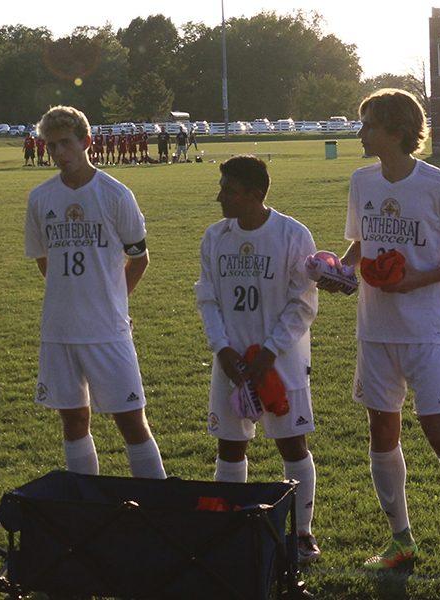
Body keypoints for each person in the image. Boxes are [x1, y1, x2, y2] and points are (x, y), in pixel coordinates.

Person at [330, 88, 440, 571]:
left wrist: (416, 280)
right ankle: (401, 541)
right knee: (381, 431)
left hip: (426, 332)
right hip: (375, 330)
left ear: (397, 130)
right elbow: (360, 244)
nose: (361, 133)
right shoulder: (362, 182)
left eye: (368, 125)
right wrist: (339, 271)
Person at [25, 106, 166, 480]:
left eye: (66, 143)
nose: (58, 153)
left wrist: (115, 299)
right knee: (73, 419)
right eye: (51, 146)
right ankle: (87, 503)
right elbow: (45, 261)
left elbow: (140, 258)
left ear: (86, 142)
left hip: (107, 328)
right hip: (58, 330)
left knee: (131, 420)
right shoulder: (40, 198)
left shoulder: (115, 194)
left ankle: (158, 507)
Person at [195, 155, 321, 563]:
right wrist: (223, 349)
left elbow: (302, 304)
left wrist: (269, 350)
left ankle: (301, 533)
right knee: (230, 447)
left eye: (228, 190)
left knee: (291, 444)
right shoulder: (215, 237)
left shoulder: (292, 235)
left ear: (254, 194)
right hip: (230, 361)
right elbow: (208, 299)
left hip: (279, 360)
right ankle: (229, 527)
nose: (219, 197)